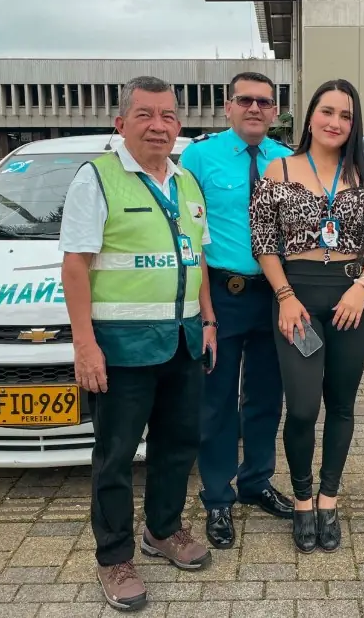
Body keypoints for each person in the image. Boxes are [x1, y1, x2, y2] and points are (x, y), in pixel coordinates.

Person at [59, 76, 215, 611]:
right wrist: (85, 345)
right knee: (116, 457)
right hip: (121, 349)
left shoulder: (186, 183)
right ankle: (114, 558)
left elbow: (198, 262)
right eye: (145, 114)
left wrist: (209, 320)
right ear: (121, 124)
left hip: (182, 342)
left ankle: (163, 531)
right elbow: (75, 266)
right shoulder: (97, 179)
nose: (159, 125)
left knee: (178, 447)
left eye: (168, 115)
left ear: (179, 125)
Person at [250, 78, 364, 553]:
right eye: (328, 112)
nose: (336, 122)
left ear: (354, 125)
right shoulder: (280, 169)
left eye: (347, 116)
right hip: (296, 296)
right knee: (304, 407)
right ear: (310, 115)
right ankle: (300, 496)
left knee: (342, 404)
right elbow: (264, 242)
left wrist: (363, 287)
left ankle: (328, 498)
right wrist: (286, 296)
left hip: (353, 298)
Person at [179, 72, 294, 551]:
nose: (255, 108)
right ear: (228, 106)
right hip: (221, 294)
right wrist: (205, 313)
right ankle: (217, 497)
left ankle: (256, 481)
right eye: (245, 100)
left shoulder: (288, 161)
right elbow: (192, 240)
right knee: (217, 400)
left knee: (267, 397)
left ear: (274, 110)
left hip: (273, 295)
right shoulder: (198, 157)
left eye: (264, 102)